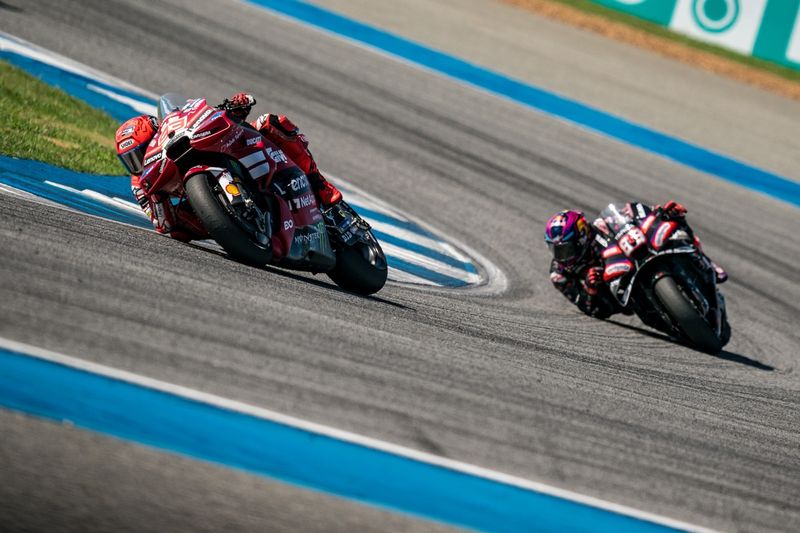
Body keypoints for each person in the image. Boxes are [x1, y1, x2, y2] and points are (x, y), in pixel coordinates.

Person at [114, 92, 343, 242]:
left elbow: (205, 117)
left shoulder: (177, 131)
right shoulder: (140, 183)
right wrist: (156, 196)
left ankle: (320, 186)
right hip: (201, 207)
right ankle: (239, 227)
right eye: (132, 160)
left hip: (235, 154)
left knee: (271, 123)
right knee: (177, 229)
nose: (140, 162)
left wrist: (234, 109)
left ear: (158, 134)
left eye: (141, 152)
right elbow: (163, 224)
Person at [544, 201, 727, 319]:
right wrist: (591, 289)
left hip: (634, 260)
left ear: (581, 236)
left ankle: (704, 259)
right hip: (617, 299)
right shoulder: (559, 274)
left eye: (565, 248)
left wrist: (659, 213)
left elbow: (631, 218)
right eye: (556, 250)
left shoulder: (602, 227)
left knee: (673, 218)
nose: (563, 256)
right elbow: (589, 308)